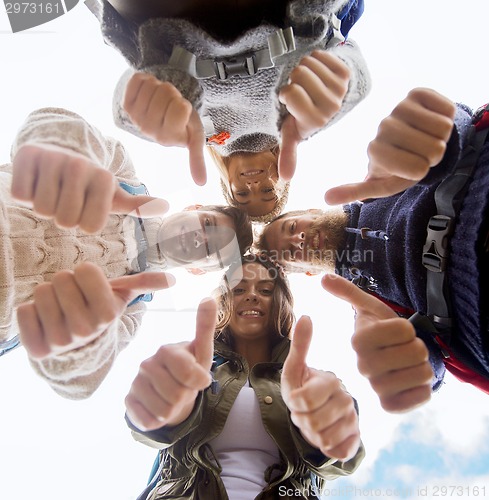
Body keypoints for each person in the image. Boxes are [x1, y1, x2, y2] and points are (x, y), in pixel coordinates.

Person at [257, 87, 489, 408]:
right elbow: (426, 364)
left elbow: (462, 125)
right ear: (308, 271)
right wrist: (411, 368)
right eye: (289, 253)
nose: (297, 240)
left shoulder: (382, 178)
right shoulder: (370, 310)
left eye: (291, 228)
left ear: (309, 212)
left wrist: (442, 132)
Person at [1, 107, 253, 400]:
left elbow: (79, 382)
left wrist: (85, 341)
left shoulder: (129, 311)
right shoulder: (121, 174)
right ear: (193, 209)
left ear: (199, 270)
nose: (200, 238)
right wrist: (68, 157)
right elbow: (43, 125)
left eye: (212, 249)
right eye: (207, 224)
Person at [94, 0, 371, 221]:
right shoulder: (296, 119)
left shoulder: (193, 133)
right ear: (283, 180)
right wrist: (339, 87)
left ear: (227, 183)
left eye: (242, 195)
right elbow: (350, 61)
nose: (253, 186)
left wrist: (139, 111)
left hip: (161, 17)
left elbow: (130, 91)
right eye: (267, 191)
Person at [125, 253, 364, 499]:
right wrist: (157, 413)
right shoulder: (192, 369)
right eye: (239, 290)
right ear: (225, 301)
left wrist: (332, 437)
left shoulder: (313, 384)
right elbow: (152, 433)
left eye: (266, 289)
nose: (251, 295)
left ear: (281, 301)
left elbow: (341, 461)